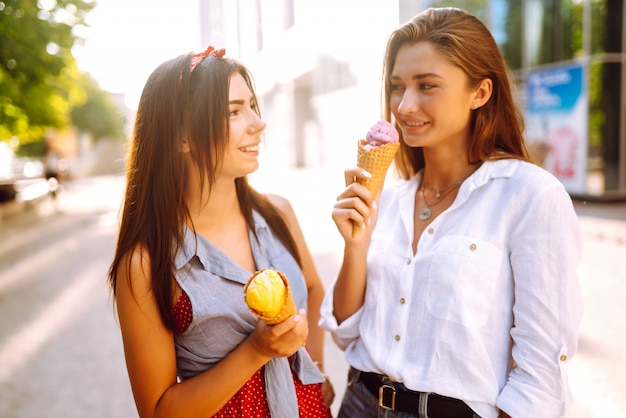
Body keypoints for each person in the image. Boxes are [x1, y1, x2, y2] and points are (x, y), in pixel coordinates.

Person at [320, 7, 582, 418]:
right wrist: (356, 245)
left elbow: (541, 369)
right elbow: (346, 331)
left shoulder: (530, 196)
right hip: (359, 402)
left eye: (427, 85)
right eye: (397, 86)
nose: (405, 105)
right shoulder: (388, 198)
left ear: (480, 92)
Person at [108, 46, 334, 418]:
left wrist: (316, 374)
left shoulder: (278, 212)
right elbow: (158, 411)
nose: (257, 123)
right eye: (233, 111)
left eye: (251, 105)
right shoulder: (146, 263)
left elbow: (312, 288)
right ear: (182, 137)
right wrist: (257, 350)